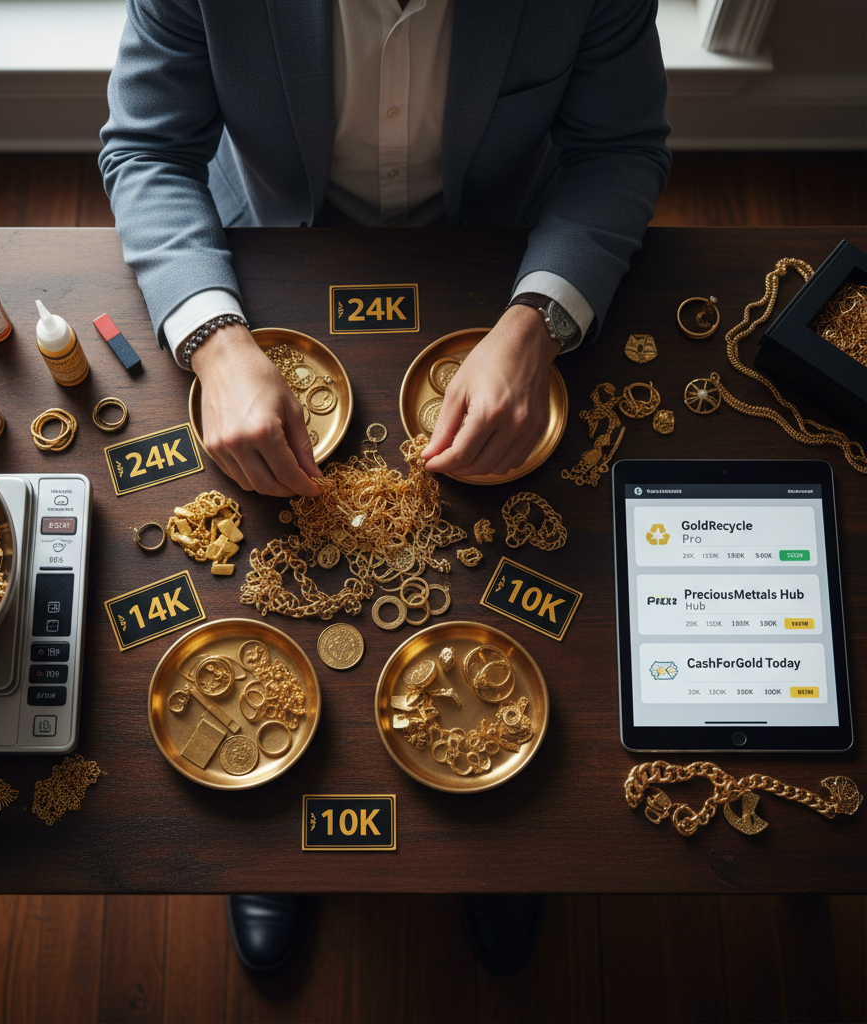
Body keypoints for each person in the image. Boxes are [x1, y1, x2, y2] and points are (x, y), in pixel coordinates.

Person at [100, 0, 670, 975]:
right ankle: (271, 800)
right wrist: (212, 340)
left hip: (498, 266)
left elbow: (617, 151)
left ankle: (484, 813)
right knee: (255, 581)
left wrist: (539, 318)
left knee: (513, 587)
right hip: (269, 256)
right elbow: (147, 151)